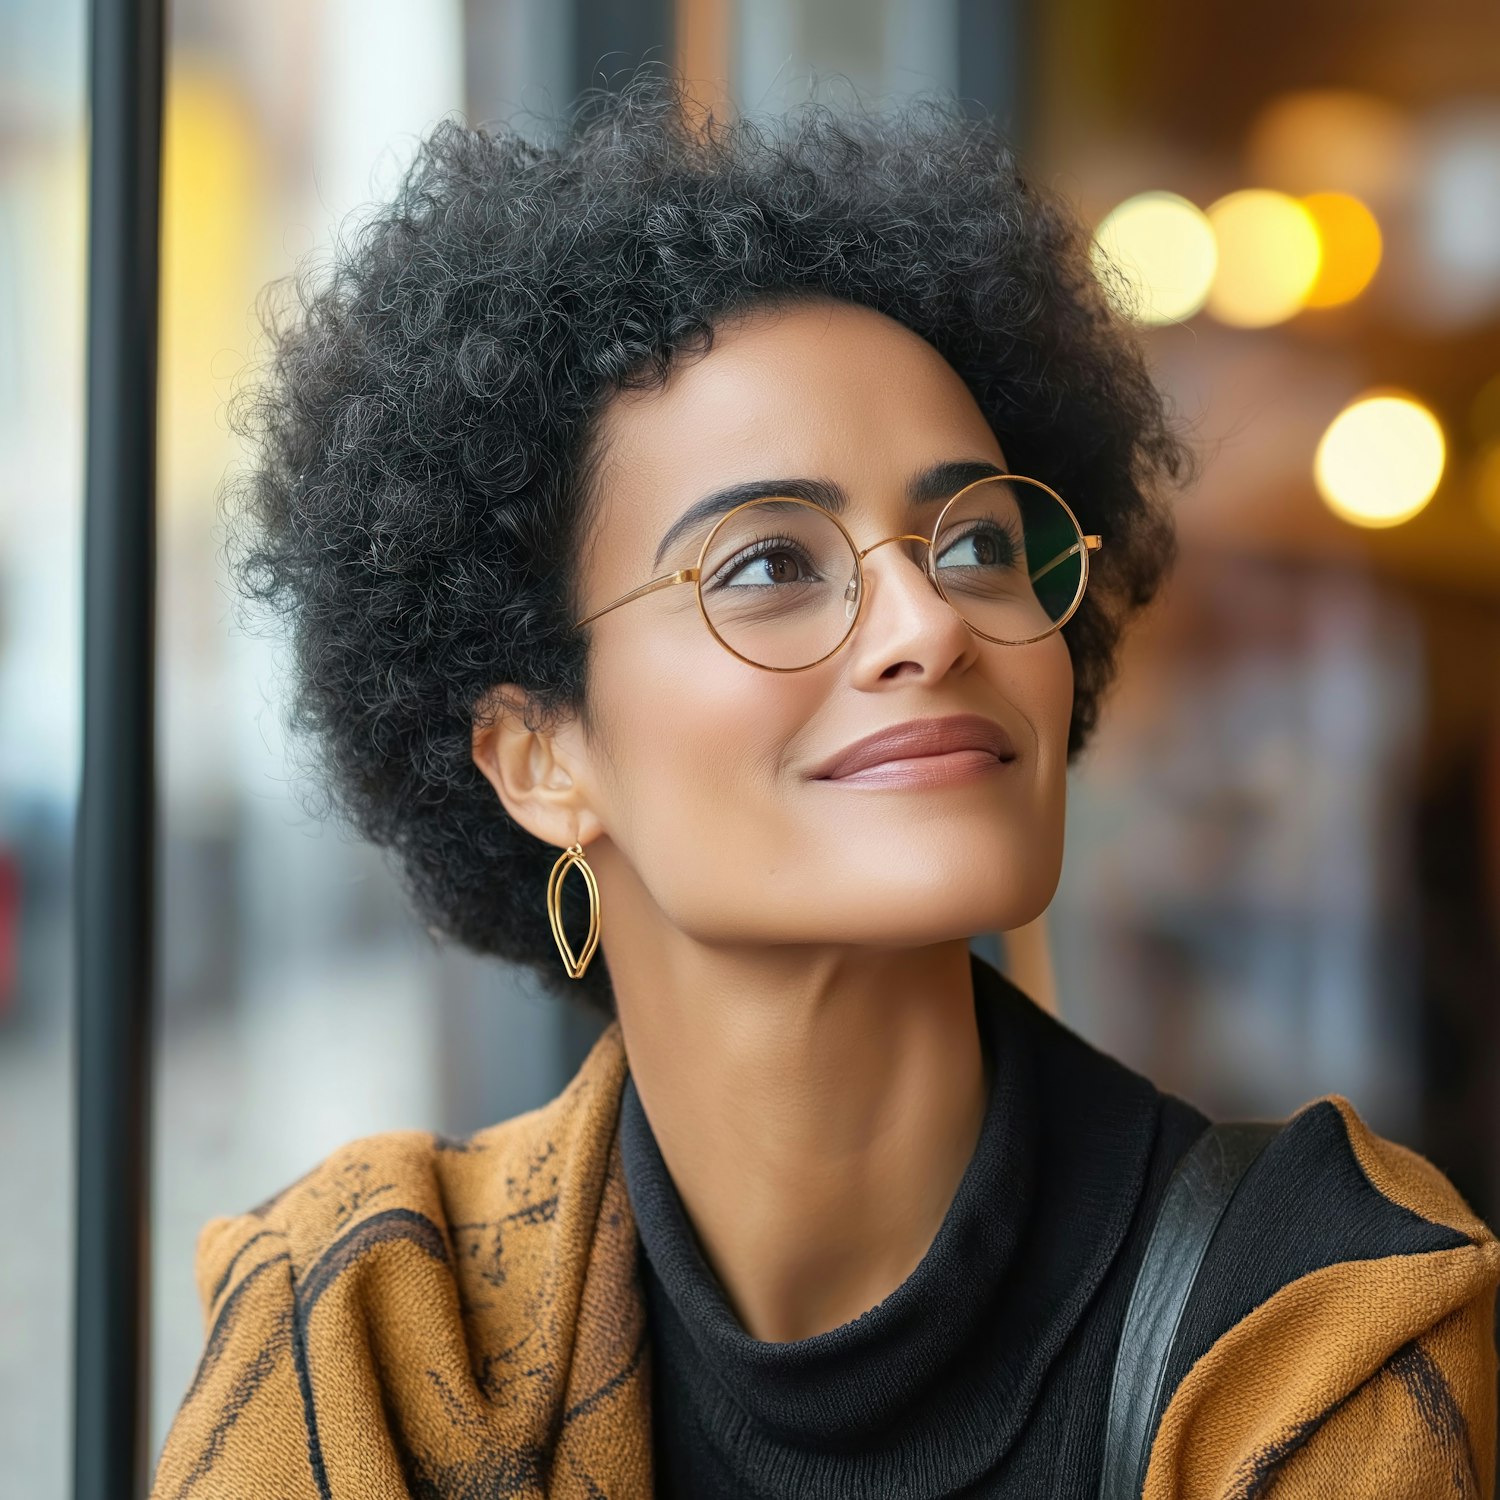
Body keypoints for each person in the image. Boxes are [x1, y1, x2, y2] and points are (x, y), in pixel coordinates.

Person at [149, 68, 1500, 1499]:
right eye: (770, 567)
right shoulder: (366, 1329)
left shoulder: (1323, 1320)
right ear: (540, 755)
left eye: (977, 544)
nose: (929, 625)